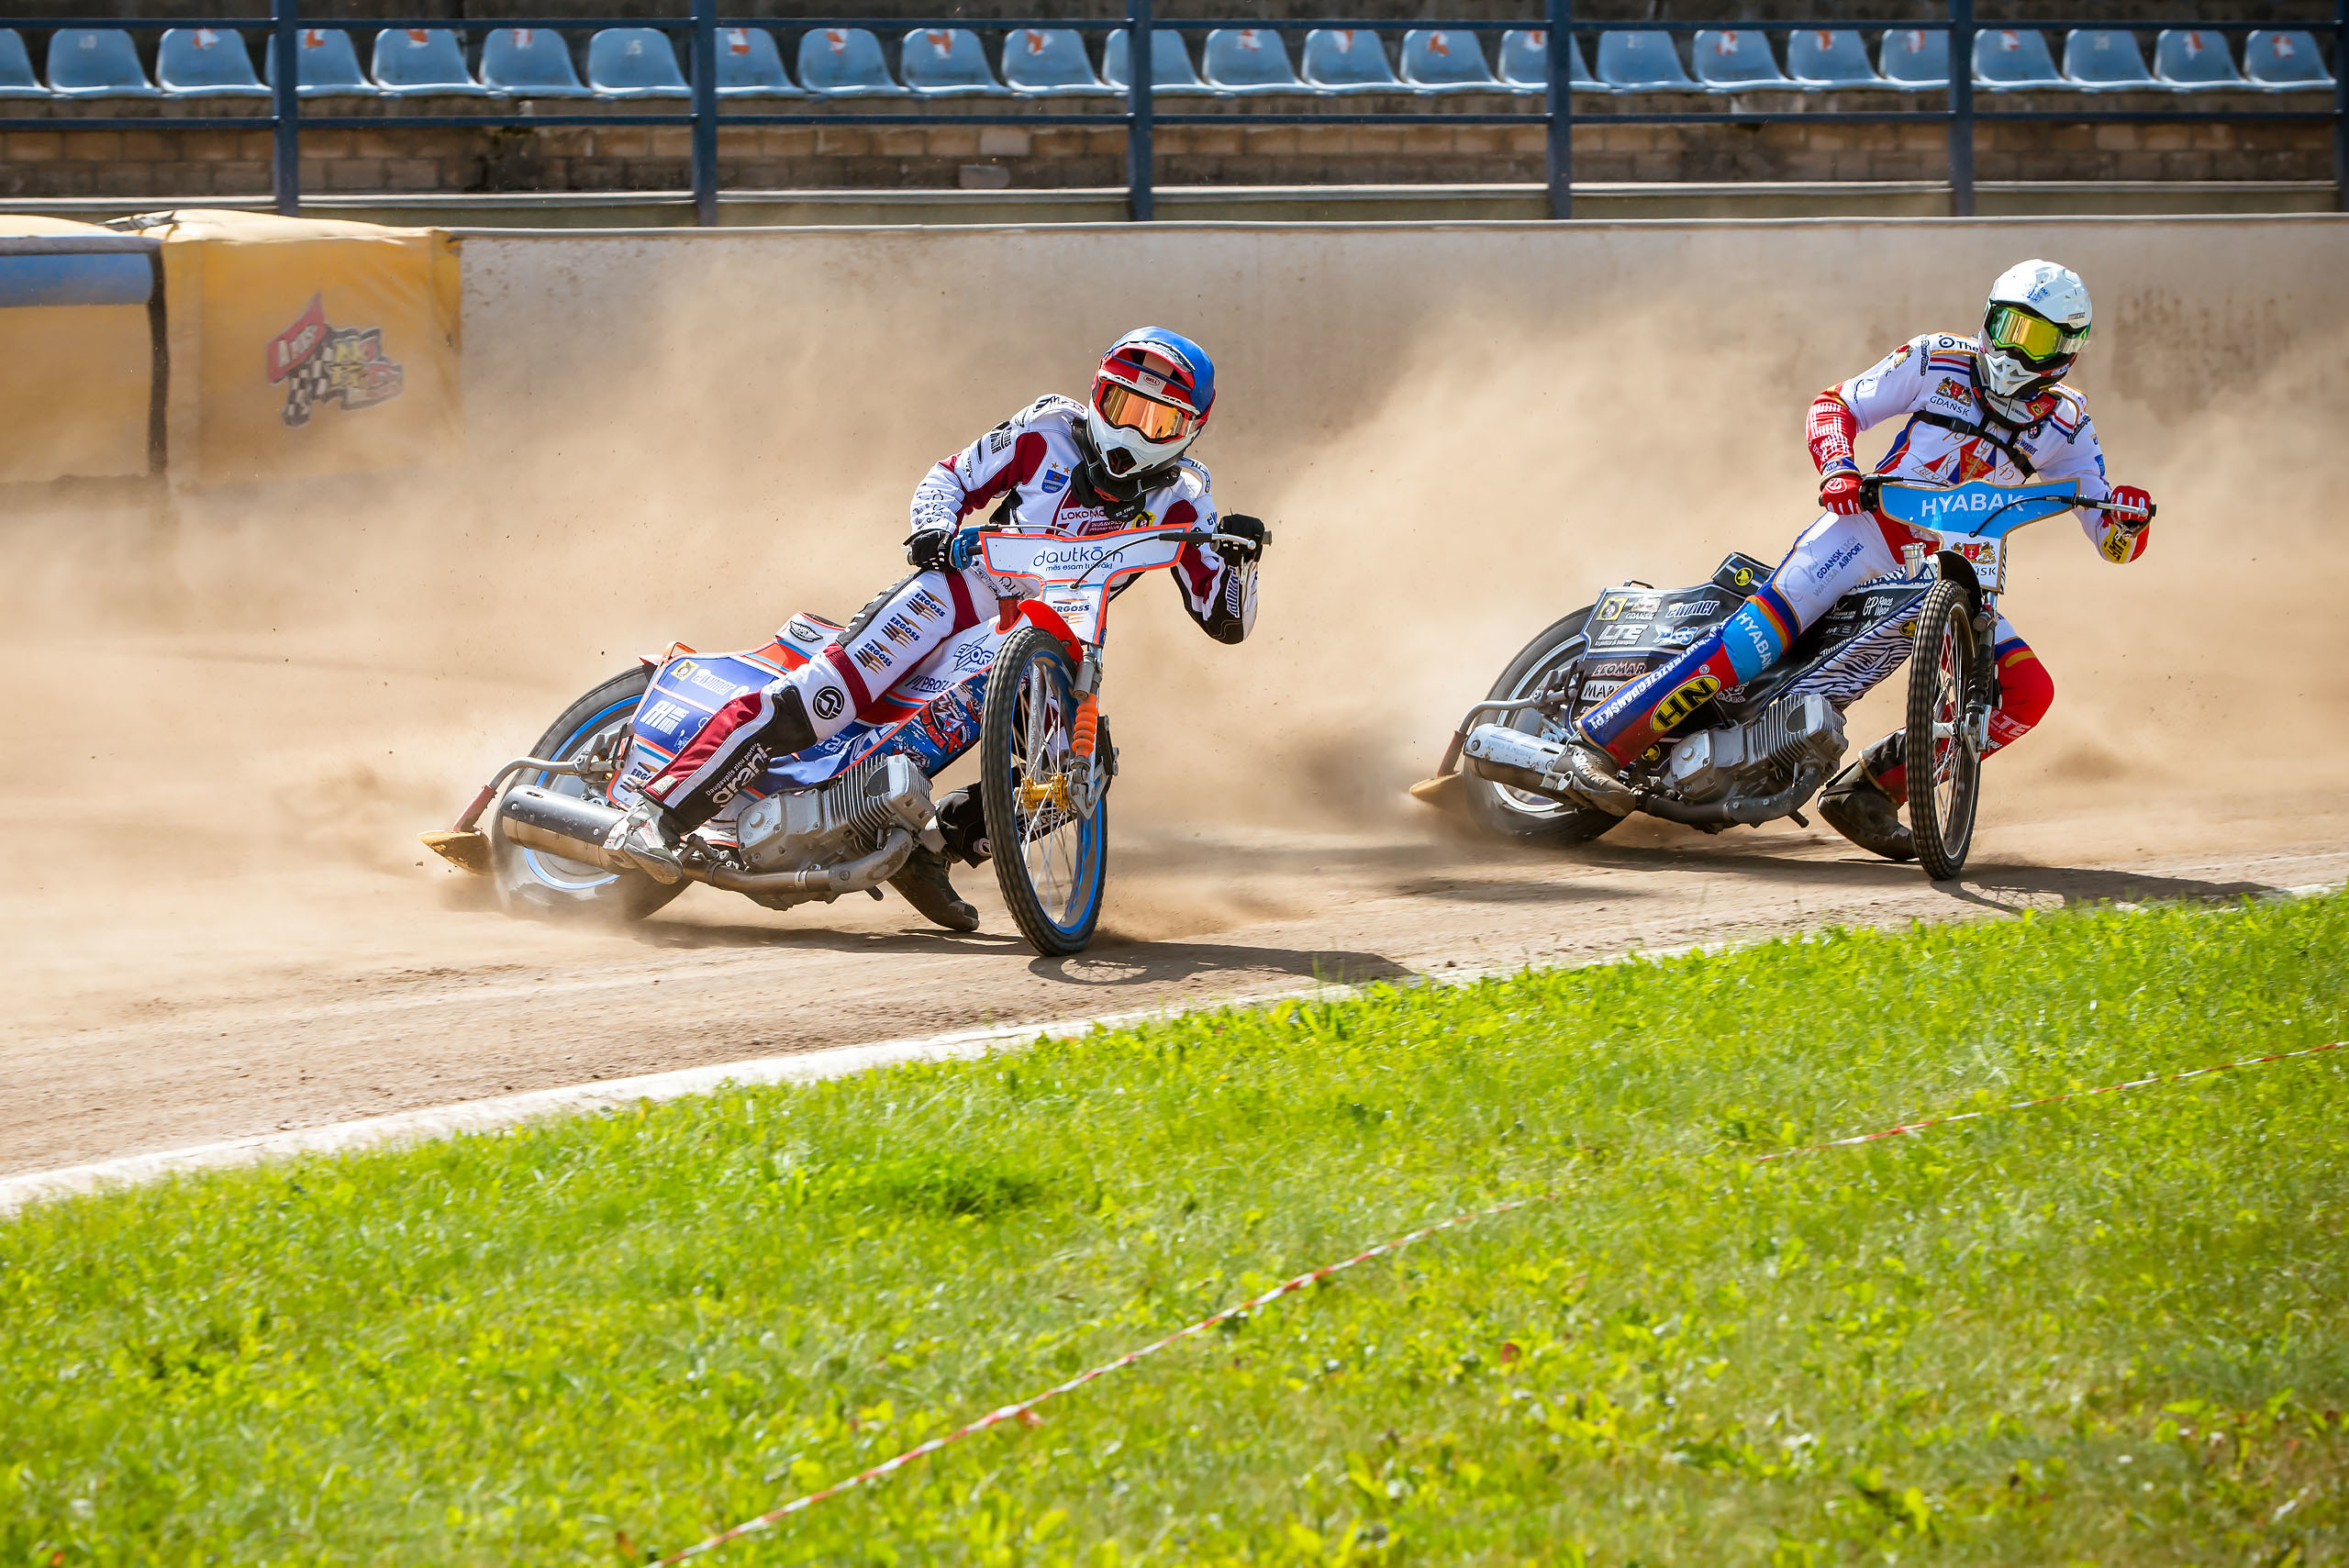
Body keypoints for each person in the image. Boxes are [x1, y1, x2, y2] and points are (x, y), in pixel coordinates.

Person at [603, 327, 1268, 927]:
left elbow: (1227, 620)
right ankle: (655, 815)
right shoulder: (1047, 427)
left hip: (1051, 641)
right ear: (1097, 394)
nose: (1132, 431)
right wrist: (933, 529)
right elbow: (950, 476)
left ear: (1190, 430)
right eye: (1122, 405)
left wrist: (1241, 561)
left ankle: (932, 849)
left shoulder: (1187, 498)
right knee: (819, 702)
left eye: (1157, 419)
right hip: (957, 591)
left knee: (1081, 769)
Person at [1558, 259, 2155, 861]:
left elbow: (2111, 537)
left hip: (1954, 569)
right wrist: (1839, 467)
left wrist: (2126, 522)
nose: (2012, 347)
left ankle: (1870, 790)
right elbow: (1834, 405)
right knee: (1756, 640)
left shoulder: (2069, 423)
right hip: (1866, 531)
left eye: (2036, 337)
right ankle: (1598, 743)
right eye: (2006, 324)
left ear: (2067, 350)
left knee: (2026, 691)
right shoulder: (1935, 358)